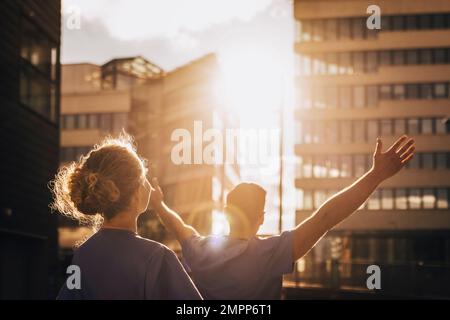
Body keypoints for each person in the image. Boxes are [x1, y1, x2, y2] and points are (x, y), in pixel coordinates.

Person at [149, 135, 415, 299]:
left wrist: (159, 204)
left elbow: (178, 225)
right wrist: (375, 176)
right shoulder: (270, 253)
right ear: (261, 218)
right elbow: (326, 217)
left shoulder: (201, 250)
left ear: (226, 213)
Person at [50, 133, 202, 300]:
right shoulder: (157, 258)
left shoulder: (83, 255)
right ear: (136, 193)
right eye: (144, 178)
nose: (149, 185)